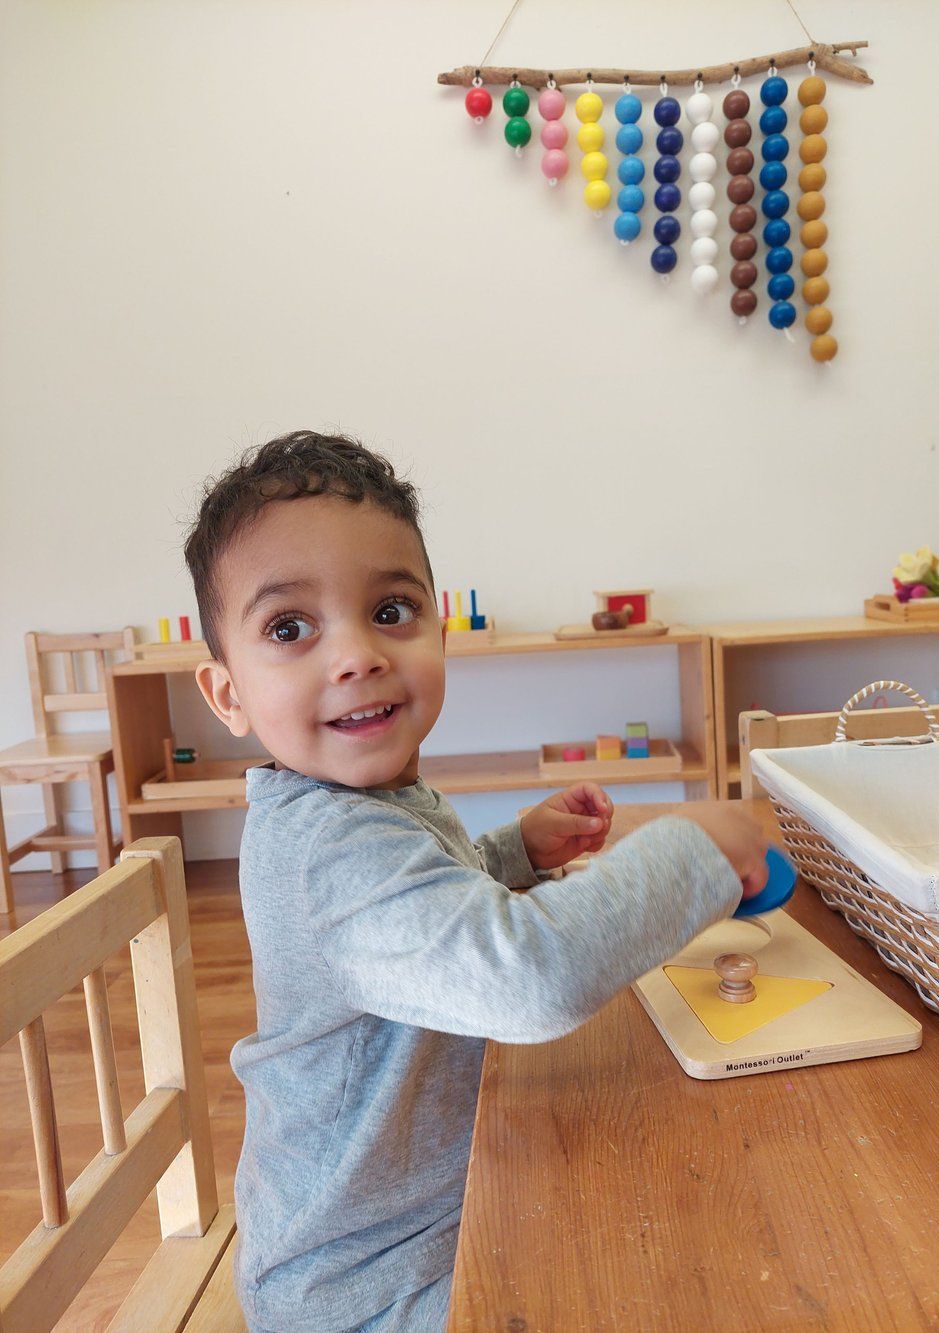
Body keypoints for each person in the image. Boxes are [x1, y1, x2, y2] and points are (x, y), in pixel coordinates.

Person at [185, 430, 768, 1332]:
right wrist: (694, 843)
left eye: (390, 610)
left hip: (413, 1222)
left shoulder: (361, 801)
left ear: (438, 628)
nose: (356, 655)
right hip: (365, 1287)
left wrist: (512, 853)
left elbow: (422, 911)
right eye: (289, 628)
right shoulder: (328, 849)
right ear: (226, 695)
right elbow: (531, 977)